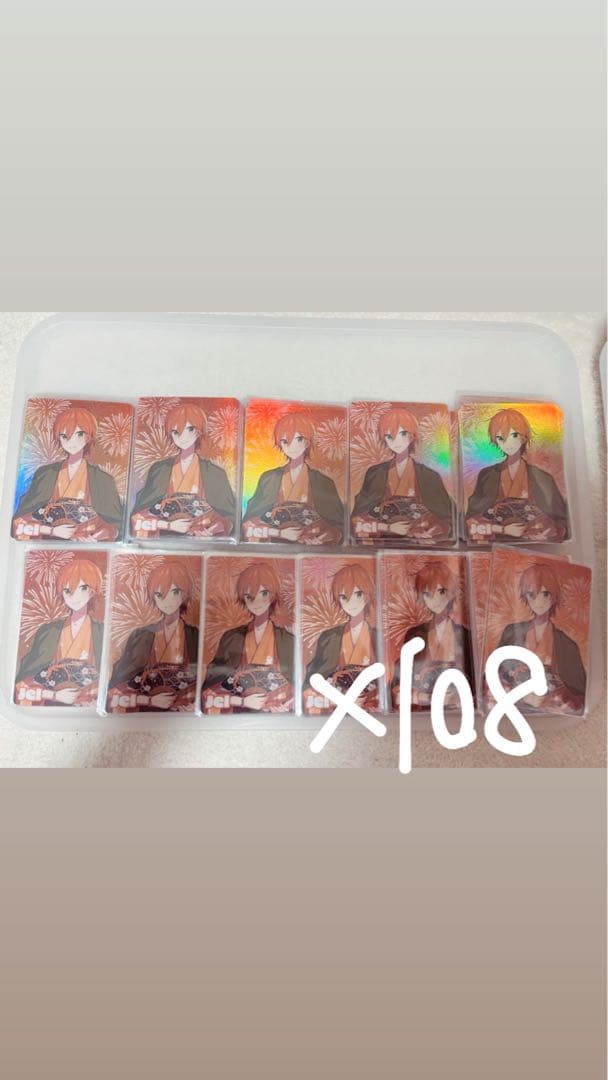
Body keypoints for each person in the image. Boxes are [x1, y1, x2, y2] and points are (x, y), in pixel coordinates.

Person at [12, 405, 123, 541]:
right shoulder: (45, 474)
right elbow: (19, 523)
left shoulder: (103, 479)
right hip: (49, 543)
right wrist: (51, 530)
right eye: (64, 436)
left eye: (79, 434)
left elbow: (116, 526)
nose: (71, 442)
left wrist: (95, 538)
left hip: (88, 543)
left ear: (89, 436)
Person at [131, 402, 235, 538]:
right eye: (175, 432)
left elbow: (229, 518)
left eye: (190, 429)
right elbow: (138, 516)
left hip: (203, 537)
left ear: (200, 431)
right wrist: (168, 525)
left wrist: (211, 530)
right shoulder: (160, 469)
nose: (182, 437)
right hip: (165, 538)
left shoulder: (215, 473)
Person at [107, 559, 199, 712]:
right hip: (145, 710)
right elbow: (117, 686)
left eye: (174, 592)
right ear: (153, 597)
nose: (167, 601)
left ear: (184, 594)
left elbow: (206, 682)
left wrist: (194, 705)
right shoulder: (141, 635)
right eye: (159, 594)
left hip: (184, 711)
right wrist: (149, 700)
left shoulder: (195, 636)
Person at [201, 562, 294, 712]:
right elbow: (209, 691)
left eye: (264, 594)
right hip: (239, 713)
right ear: (243, 598)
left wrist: (287, 704)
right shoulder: (232, 638)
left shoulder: (288, 640)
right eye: (250, 596)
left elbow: (299, 687)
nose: (257, 602)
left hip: (277, 714)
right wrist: (242, 701)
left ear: (273, 595)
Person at [351, 406, 454, 542]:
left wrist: (428, 532)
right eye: (389, 437)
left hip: (420, 541)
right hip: (382, 541)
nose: (396, 442)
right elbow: (357, 520)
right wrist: (386, 528)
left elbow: (447, 519)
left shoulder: (429, 476)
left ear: (412, 436)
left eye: (403, 434)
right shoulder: (375, 473)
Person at [466, 407, 569, 541]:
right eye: (501, 438)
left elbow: (561, 523)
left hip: (536, 543)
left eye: (514, 436)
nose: (507, 444)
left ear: (524, 437)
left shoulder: (543, 478)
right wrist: (502, 529)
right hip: (495, 541)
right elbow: (470, 523)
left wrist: (542, 533)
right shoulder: (487, 475)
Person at [497, 562, 586, 713]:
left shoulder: (567, 645)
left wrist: (552, 699)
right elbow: (494, 674)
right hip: (512, 707)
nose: (538, 602)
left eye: (544, 594)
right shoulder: (511, 632)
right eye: (531, 594)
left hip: (552, 711)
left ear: (554, 597)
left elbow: (579, 695)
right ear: (525, 597)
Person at [15, 556, 104, 706]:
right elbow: (24, 680)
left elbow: (110, 678)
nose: (74, 597)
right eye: (67, 591)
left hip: (90, 704)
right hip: (52, 703)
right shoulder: (49, 631)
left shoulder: (101, 632)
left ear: (93, 591)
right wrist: (54, 695)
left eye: (82, 588)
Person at [243, 412, 344, 543]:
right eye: (285, 441)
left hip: (310, 545)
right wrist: (278, 533)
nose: (292, 447)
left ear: (308, 442)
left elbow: (339, 527)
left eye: (299, 439)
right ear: (280, 444)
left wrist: (322, 538)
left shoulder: (324, 482)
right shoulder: (269, 478)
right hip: (274, 544)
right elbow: (248, 524)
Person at [392, 560, 472, 709]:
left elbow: (473, 684)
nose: (435, 600)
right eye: (428, 594)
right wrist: (421, 697)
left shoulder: (464, 635)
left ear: (451, 592)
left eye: (441, 592)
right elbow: (399, 686)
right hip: (422, 711)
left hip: (458, 711)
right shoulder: (415, 634)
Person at [303, 563, 378, 714]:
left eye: (358, 594)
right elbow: (310, 684)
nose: (351, 603)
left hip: (371, 709)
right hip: (334, 707)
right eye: (344, 597)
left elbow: (390, 685)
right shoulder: (329, 637)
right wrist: (340, 700)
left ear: (368, 595)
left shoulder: (378, 638)